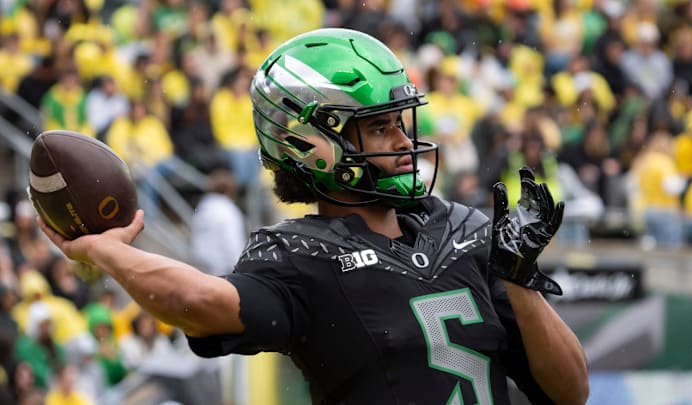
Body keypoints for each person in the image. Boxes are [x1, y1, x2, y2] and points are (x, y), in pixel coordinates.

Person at [37, 28, 589, 405]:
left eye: (400, 121)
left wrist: (522, 284)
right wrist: (105, 249)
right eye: (379, 127)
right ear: (310, 143)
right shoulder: (302, 255)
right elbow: (197, 304)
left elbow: (571, 391)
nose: (403, 141)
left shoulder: (465, 228)